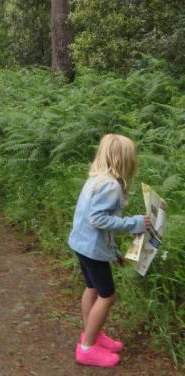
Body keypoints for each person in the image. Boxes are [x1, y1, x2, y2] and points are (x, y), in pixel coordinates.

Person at [68, 134, 149, 368]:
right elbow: (97, 219)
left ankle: (91, 334)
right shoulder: (111, 185)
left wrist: (114, 251)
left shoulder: (96, 178)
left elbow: (93, 221)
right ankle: (87, 349)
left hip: (81, 245)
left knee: (92, 288)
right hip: (91, 250)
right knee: (107, 296)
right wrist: (134, 223)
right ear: (124, 160)